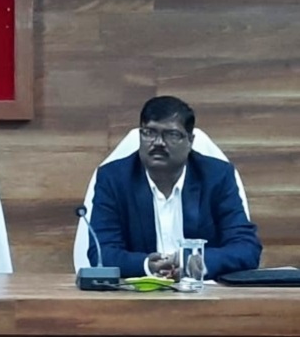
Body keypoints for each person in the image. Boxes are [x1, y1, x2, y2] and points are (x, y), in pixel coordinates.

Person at [88, 96, 261, 279]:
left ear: (190, 141)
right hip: (138, 292)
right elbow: (101, 252)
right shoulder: (114, 179)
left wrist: (199, 262)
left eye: (171, 134)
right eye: (149, 132)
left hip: (202, 292)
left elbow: (246, 248)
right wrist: (146, 265)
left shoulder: (216, 176)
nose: (158, 142)